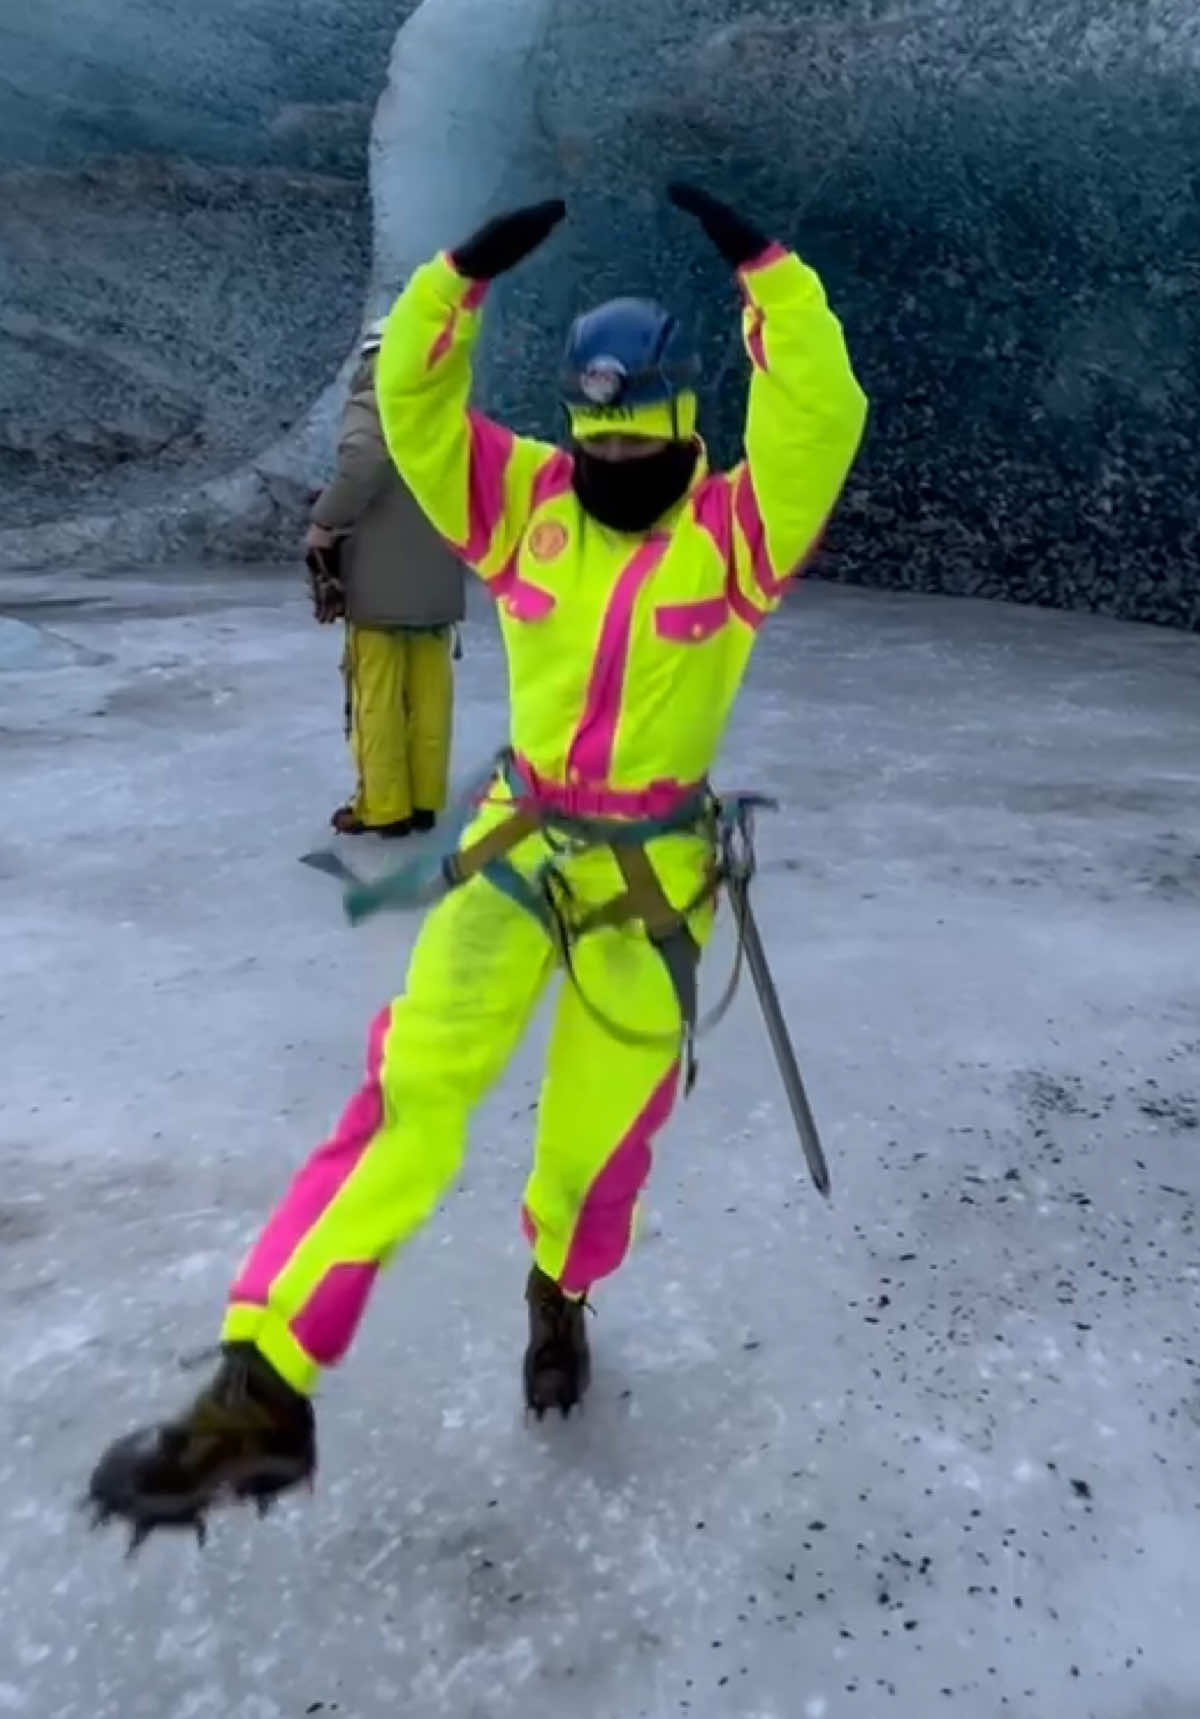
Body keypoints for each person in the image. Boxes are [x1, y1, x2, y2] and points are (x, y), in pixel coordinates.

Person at [86, 183, 868, 1548]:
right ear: (574, 424)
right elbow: (415, 410)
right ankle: (262, 1376)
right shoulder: (526, 504)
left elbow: (823, 411)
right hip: (520, 851)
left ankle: (559, 1288)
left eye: (636, 440)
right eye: (595, 436)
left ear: (686, 422)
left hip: (652, 888)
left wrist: (773, 274)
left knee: (593, 1147)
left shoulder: (739, 533)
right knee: (410, 1097)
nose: (612, 465)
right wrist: (452, 284)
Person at [306, 319, 466, 837]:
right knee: (430, 693)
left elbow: (362, 462)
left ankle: (384, 805)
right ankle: (424, 801)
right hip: (437, 572)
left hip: (379, 574)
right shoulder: (444, 407)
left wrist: (324, 522)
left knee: (376, 692)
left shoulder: (375, 400)